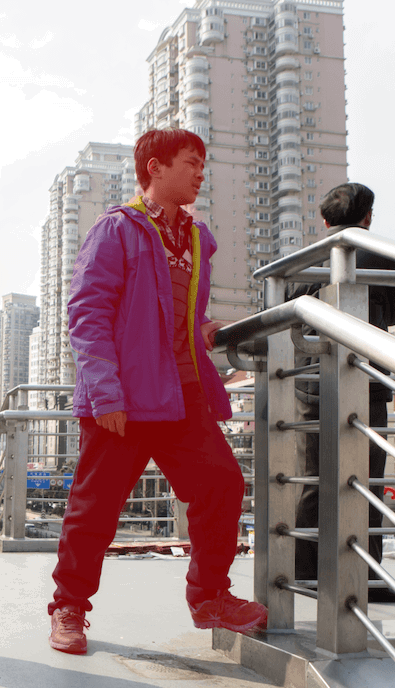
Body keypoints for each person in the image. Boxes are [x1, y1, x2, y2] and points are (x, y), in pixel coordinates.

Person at [47, 128, 266, 656]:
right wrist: (106, 395)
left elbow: (173, 310)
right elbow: (88, 314)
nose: (199, 172)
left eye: (202, 163)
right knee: (94, 508)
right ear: (155, 167)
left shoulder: (194, 238)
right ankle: (68, 607)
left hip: (182, 394)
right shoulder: (115, 230)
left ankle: (210, 597)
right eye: (191, 162)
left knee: (222, 485)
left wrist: (203, 327)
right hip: (122, 399)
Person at [289, 183, 395, 601]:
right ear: (368, 217)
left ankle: (306, 574)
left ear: (324, 220)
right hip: (366, 378)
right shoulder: (384, 255)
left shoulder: (301, 260)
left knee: (315, 479)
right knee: (366, 479)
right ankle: (367, 578)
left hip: (311, 381)